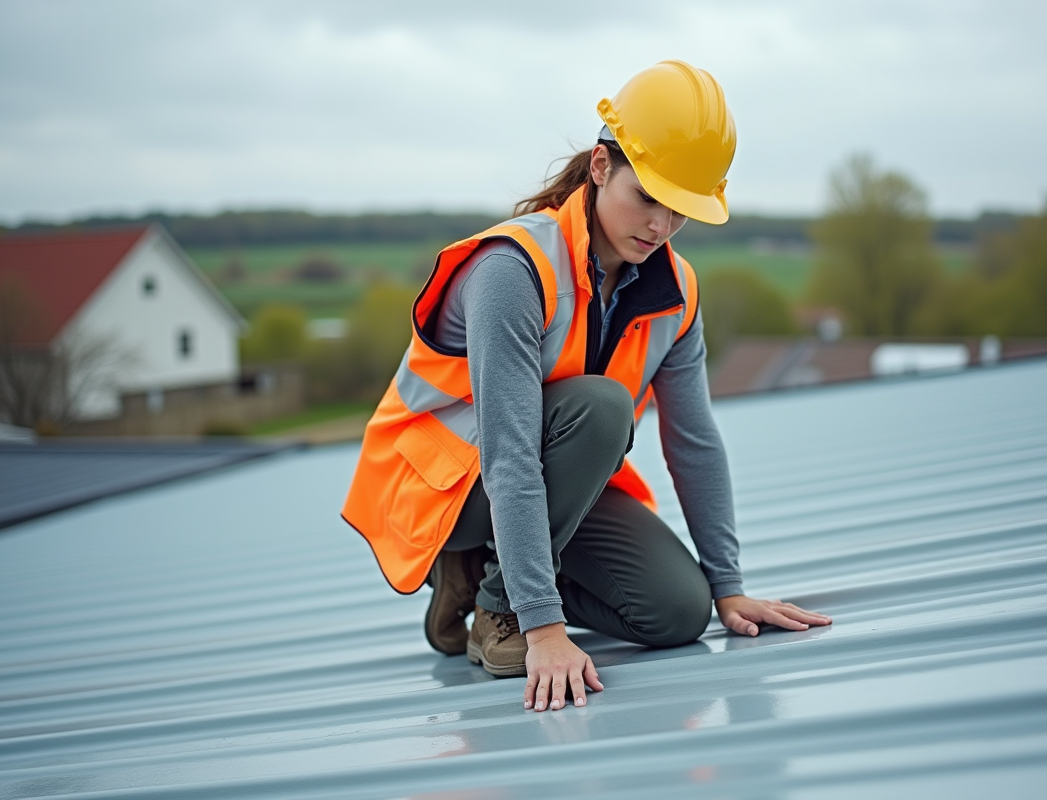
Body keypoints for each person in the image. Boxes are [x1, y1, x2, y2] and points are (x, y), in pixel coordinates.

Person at [342, 60, 831, 713]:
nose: (660, 227)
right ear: (601, 167)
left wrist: (729, 588)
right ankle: (494, 605)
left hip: (550, 490)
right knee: (603, 410)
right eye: (648, 197)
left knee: (679, 612)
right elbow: (511, 453)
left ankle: (484, 571)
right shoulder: (513, 270)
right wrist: (542, 626)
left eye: (680, 211)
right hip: (448, 487)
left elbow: (696, 443)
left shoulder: (676, 293)